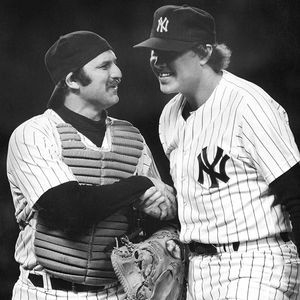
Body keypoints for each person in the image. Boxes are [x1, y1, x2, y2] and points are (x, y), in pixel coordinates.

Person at [134, 5, 300, 300]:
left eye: (169, 52)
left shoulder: (249, 105)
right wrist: (166, 206)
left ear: (204, 52)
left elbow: (296, 193)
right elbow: (205, 196)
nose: (157, 61)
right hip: (199, 270)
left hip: (258, 260)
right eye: (153, 51)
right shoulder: (169, 116)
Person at [6, 30, 177, 300]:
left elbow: (159, 212)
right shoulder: (34, 133)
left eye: (115, 63)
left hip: (116, 292)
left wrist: (163, 209)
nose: (118, 73)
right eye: (104, 66)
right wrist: (140, 185)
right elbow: (69, 210)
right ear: (72, 79)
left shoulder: (131, 138)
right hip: (46, 291)